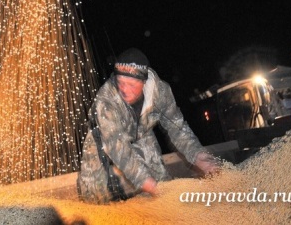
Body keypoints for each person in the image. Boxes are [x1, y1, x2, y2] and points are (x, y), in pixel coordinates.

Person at [77, 48, 219, 204]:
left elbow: (178, 129)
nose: (124, 90)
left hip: (141, 132)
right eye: (121, 83)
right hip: (103, 135)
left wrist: (202, 159)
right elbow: (117, 147)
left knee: (162, 182)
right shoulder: (106, 99)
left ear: (144, 82)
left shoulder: (161, 93)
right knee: (92, 194)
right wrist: (147, 183)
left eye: (131, 84)